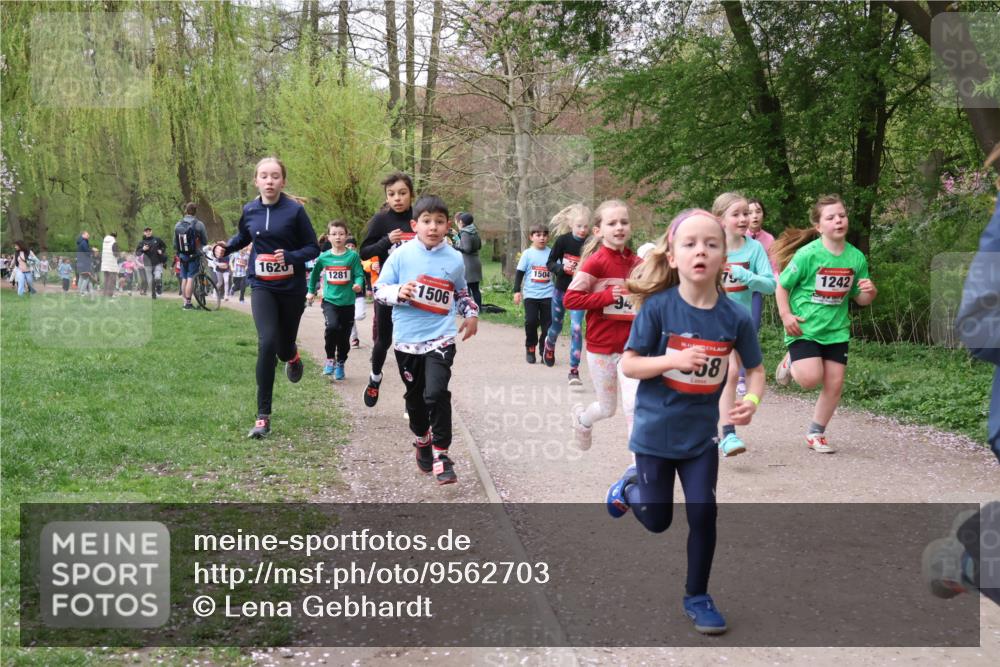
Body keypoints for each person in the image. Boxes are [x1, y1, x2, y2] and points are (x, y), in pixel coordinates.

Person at [605, 208, 766, 635]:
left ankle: (697, 595)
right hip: (655, 435)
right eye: (690, 244)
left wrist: (750, 399)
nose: (701, 251)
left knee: (705, 514)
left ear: (723, 258)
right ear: (673, 257)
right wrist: (672, 360)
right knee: (658, 521)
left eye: (711, 244)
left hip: (699, 440)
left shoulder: (735, 317)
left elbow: (757, 369)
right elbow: (630, 364)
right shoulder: (659, 308)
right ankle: (629, 486)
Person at [374, 194, 479, 484]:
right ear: (415, 224)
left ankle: (442, 454)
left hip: (440, 338)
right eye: (426, 221)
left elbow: (460, 293)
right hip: (407, 339)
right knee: (416, 399)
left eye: (439, 222)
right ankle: (422, 438)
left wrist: (471, 314)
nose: (433, 227)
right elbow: (379, 290)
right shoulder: (401, 255)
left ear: (448, 226)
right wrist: (398, 292)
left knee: (436, 393)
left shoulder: (455, 258)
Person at [213, 156, 320, 438]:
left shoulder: (295, 211)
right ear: (256, 181)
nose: (269, 181)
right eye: (264, 176)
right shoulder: (250, 210)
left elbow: (312, 248)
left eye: (275, 176)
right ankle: (263, 417)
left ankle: (293, 357)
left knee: (283, 347)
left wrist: (292, 256)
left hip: (291, 287)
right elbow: (244, 237)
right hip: (262, 285)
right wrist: (226, 247)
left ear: (283, 181)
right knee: (267, 342)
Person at [772, 195, 877, 453]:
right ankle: (791, 361)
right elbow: (782, 287)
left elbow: (861, 299)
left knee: (835, 383)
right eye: (830, 217)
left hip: (836, 330)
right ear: (819, 226)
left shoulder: (856, 258)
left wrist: (870, 292)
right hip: (805, 327)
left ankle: (816, 433)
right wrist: (786, 316)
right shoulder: (807, 255)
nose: (838, 220)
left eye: (841, 215)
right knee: (809, 380)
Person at [564, 200, 642, 450]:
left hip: (633, 348)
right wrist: (607, 297)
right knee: (608, 409)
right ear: (598, 231)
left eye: (624, 222)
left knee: (634, 405)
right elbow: (571, 299)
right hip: (601, 349)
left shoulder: (639, 264)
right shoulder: (595, 263)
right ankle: (582, 420)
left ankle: (637, 468)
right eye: (612, 223)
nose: (619, 227)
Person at [711, 192, 775, 456]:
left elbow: (770, 285)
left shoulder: (754, 248)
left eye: (746, 214)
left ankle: (719, 427)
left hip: (742, 322)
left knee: (734, 372)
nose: (744, 219)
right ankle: (728, 435)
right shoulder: (711, 246)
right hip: (713, 319)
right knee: (730, 371)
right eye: (736, 214)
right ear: (720, 219)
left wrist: (746, 276)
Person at [359, 172, 416, 408]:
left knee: (412, 345)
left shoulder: (419, 217)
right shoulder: (381, 221)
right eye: (392, 194)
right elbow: (363, 252)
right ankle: (375, 377)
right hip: (388, 289)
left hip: (415, 292)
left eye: (402, 193)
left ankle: (412, 396)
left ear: (411, 195)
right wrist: (386, 241)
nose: (397, 198)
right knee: (384, 340)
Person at [308, 221, 365, 380]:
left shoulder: (352, 256)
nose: (338, 237)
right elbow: (314, 274)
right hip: (330, 301)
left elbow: (359, 274)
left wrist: (358, 284)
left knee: (344, 337)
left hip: (347, 302)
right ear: (328, 237)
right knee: (332, 327)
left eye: (341, 234)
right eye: (334, 234)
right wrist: (310, 291)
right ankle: (330, 359)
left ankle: (341, 362)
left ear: (346, 236)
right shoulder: (324, 257)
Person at [543, 204, 590, 383]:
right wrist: (561, 268)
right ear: (571, 224)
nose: (582, 230)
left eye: (586, 226)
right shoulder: (563, 241)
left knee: (576, 328)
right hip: (561, 290)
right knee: (556, 326)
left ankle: (574, 369)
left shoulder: (591, 243)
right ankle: (550, 343)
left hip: (580, 292)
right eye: (579, 226)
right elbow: (550, 262)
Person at [513, 224, 554, 363]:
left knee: (547, 325)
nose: (542, 238)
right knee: (531, 322)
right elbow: (519, 274)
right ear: (531, 237)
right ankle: (530, 347)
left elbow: (559, 271)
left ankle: (544, 349)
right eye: (538, 235)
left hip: (548, 294)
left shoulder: (552, 253)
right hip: (531, 295)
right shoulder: (527, 254)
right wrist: (516, 291)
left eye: (544, 235)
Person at [175, 203, 209, 310]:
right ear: (195, 211)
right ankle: (189, 303)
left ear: (186, 210)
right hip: (194, 255)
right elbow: (205, 240)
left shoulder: (178, 224)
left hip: (182, 255)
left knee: (184, 278)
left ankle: (185, 302)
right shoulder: (199, 224)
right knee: (190, 278)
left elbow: (174, 243)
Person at [453, 212, 483, 308]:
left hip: (468, 263)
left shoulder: (465, 233)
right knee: (476, 289)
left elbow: (467, 249)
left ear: (462, 222)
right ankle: (479, 308)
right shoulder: (474, 231)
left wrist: (454, 247)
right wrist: (456, 236)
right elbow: (479, 246)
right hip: (476, 262)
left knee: (468, 288)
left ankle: (470, 308)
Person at [345, 236, 366, 349]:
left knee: (359, 316)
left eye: (353, 246)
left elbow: (366, 273)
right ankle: (354, 338)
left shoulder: (359, 259)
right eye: (348, 246)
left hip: (359, 293)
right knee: (350, 318)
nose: (350, 248)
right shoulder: (341, 260)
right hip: (346, 294)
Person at [136, 226, 167, 299]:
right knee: (151, 281)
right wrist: (143, 249)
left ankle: (159, 286)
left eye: (149, 231)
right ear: (144, 233)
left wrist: (161, 251)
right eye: (146, 231)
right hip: (147, 264)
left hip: (157, 262)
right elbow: (137, 253)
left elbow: (164, 246)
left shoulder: (157, 239)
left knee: (157, 277)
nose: (148, 232)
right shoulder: (142, 242)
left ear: (151, 231)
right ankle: (153, 295)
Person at [100, 233, 119, 297]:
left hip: (105, 263)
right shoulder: (114, 242)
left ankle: (105, 293)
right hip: (111, 263)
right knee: (112, 279)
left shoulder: (104, 243)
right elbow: (115, 253)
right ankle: (110, 294)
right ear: (115, 237)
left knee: (106, 279)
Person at [76, 231, 93, 296]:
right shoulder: (84, 242)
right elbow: (87, 252)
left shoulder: (80, 242)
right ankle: (82, 292)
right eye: (87, 235)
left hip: (80, 261)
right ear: (83, 235)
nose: (88, 236)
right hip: (84, 261)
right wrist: (92, 251)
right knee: (86, 277)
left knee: (81, 277)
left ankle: (79, 291)